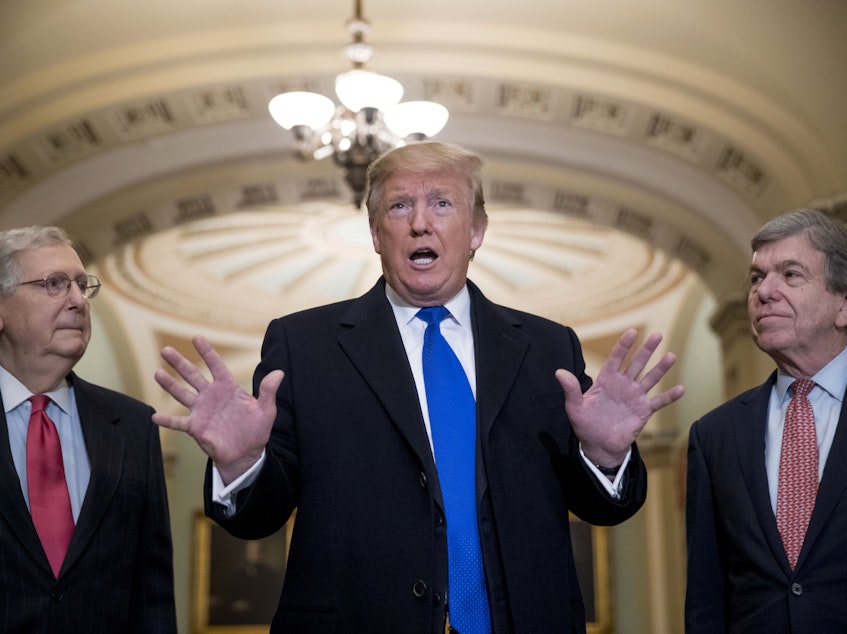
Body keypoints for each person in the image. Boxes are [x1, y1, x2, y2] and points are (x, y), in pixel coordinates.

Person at [153, 141, 684, 633]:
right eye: (400, 207)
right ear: (376, 232)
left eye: (443, 204)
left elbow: (604, 509)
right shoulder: (303, 346)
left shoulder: (549, 350)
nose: (421, 224)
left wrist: (606, 456)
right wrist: (242, 464)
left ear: (477, 230)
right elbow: (258, 518)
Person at [0, 226, 177, 633]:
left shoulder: (134, 425)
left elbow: (153, 595)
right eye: (54, 284)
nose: (78, 301)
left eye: (82, 285)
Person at [685, 208, 847, 633]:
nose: (764, 292)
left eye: (791, 275)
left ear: (843, 304)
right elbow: (706, 596)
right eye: (757, 278)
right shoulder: (714, 435)